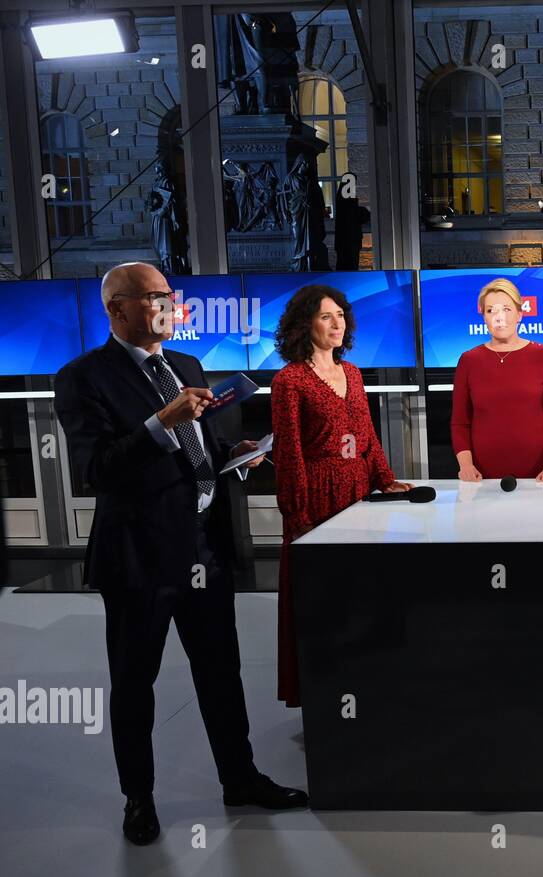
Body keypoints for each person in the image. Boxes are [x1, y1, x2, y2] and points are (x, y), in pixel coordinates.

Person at [53, 262, 308, 846]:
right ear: (116, 308)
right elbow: (97, 470)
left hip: (204, 546)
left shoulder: (187, 366)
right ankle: (138, 799)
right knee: (134, 681)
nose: (168, 306)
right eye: (153, 298)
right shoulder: (82, 378)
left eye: (169, 296)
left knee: (221, 672)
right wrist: (159, 422)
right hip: (139, 555)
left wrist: (232, 453)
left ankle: (239, 778)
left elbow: (199, 447)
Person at [271, 285, 411, 706]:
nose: (337, 324)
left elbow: (367, 436)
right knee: (322, 600)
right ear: (304, 324)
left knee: (361, 593)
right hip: (316, 496)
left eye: (341, 316)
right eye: (326, 316)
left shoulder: (351, 372)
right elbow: (289, 452)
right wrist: (296, 515)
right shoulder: (289, 380)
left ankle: (363, 684)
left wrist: (385, 479)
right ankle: (325, 694)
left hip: (358, 492)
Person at [451, 278, 543, 481]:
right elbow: (460, 423)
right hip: (482, 479)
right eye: (491, 310)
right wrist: (466, 466)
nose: (499, 317)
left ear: (519, 315)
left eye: (506, 309)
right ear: (484, 318)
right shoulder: (469, 360)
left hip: (539, 478)